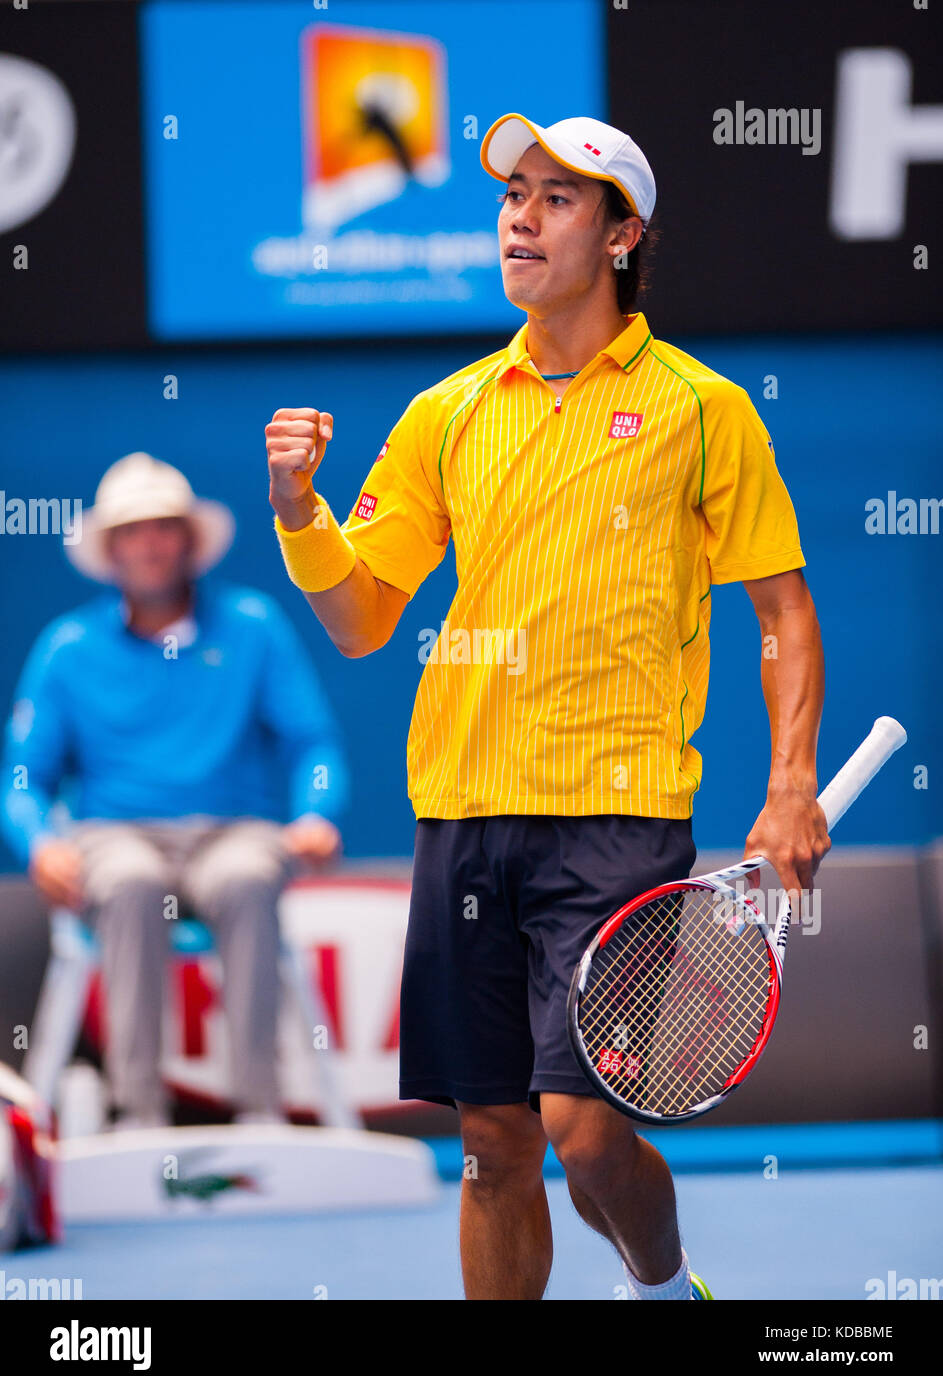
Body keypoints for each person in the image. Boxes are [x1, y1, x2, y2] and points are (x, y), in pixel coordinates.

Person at [263, 113, 829, 1300]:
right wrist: (301, 511)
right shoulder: (447, 412)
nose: (520, 215)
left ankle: (666, 1288)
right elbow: (365, 619)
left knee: (579, 1125)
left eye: (558, 198)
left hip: (614, 815)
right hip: (464, 810)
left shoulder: (701, 407)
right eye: (513, 193)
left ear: (623, 236)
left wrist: (787, 789)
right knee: (491, 1149)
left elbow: (781, 610)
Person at [2, 452, 349, 1128]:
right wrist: (39, 844)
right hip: (115, 837)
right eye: (133, 530)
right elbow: (22, 778)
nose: (150, 543)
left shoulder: (254, 625)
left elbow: (314, 744)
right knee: (131, 886)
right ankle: (140, 1116)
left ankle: (259, 1115)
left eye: (164, 526)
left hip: (234, 830)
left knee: (250, 877)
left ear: (189, 540)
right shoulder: (66, 649)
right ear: (111, 550)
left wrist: (315, 813)